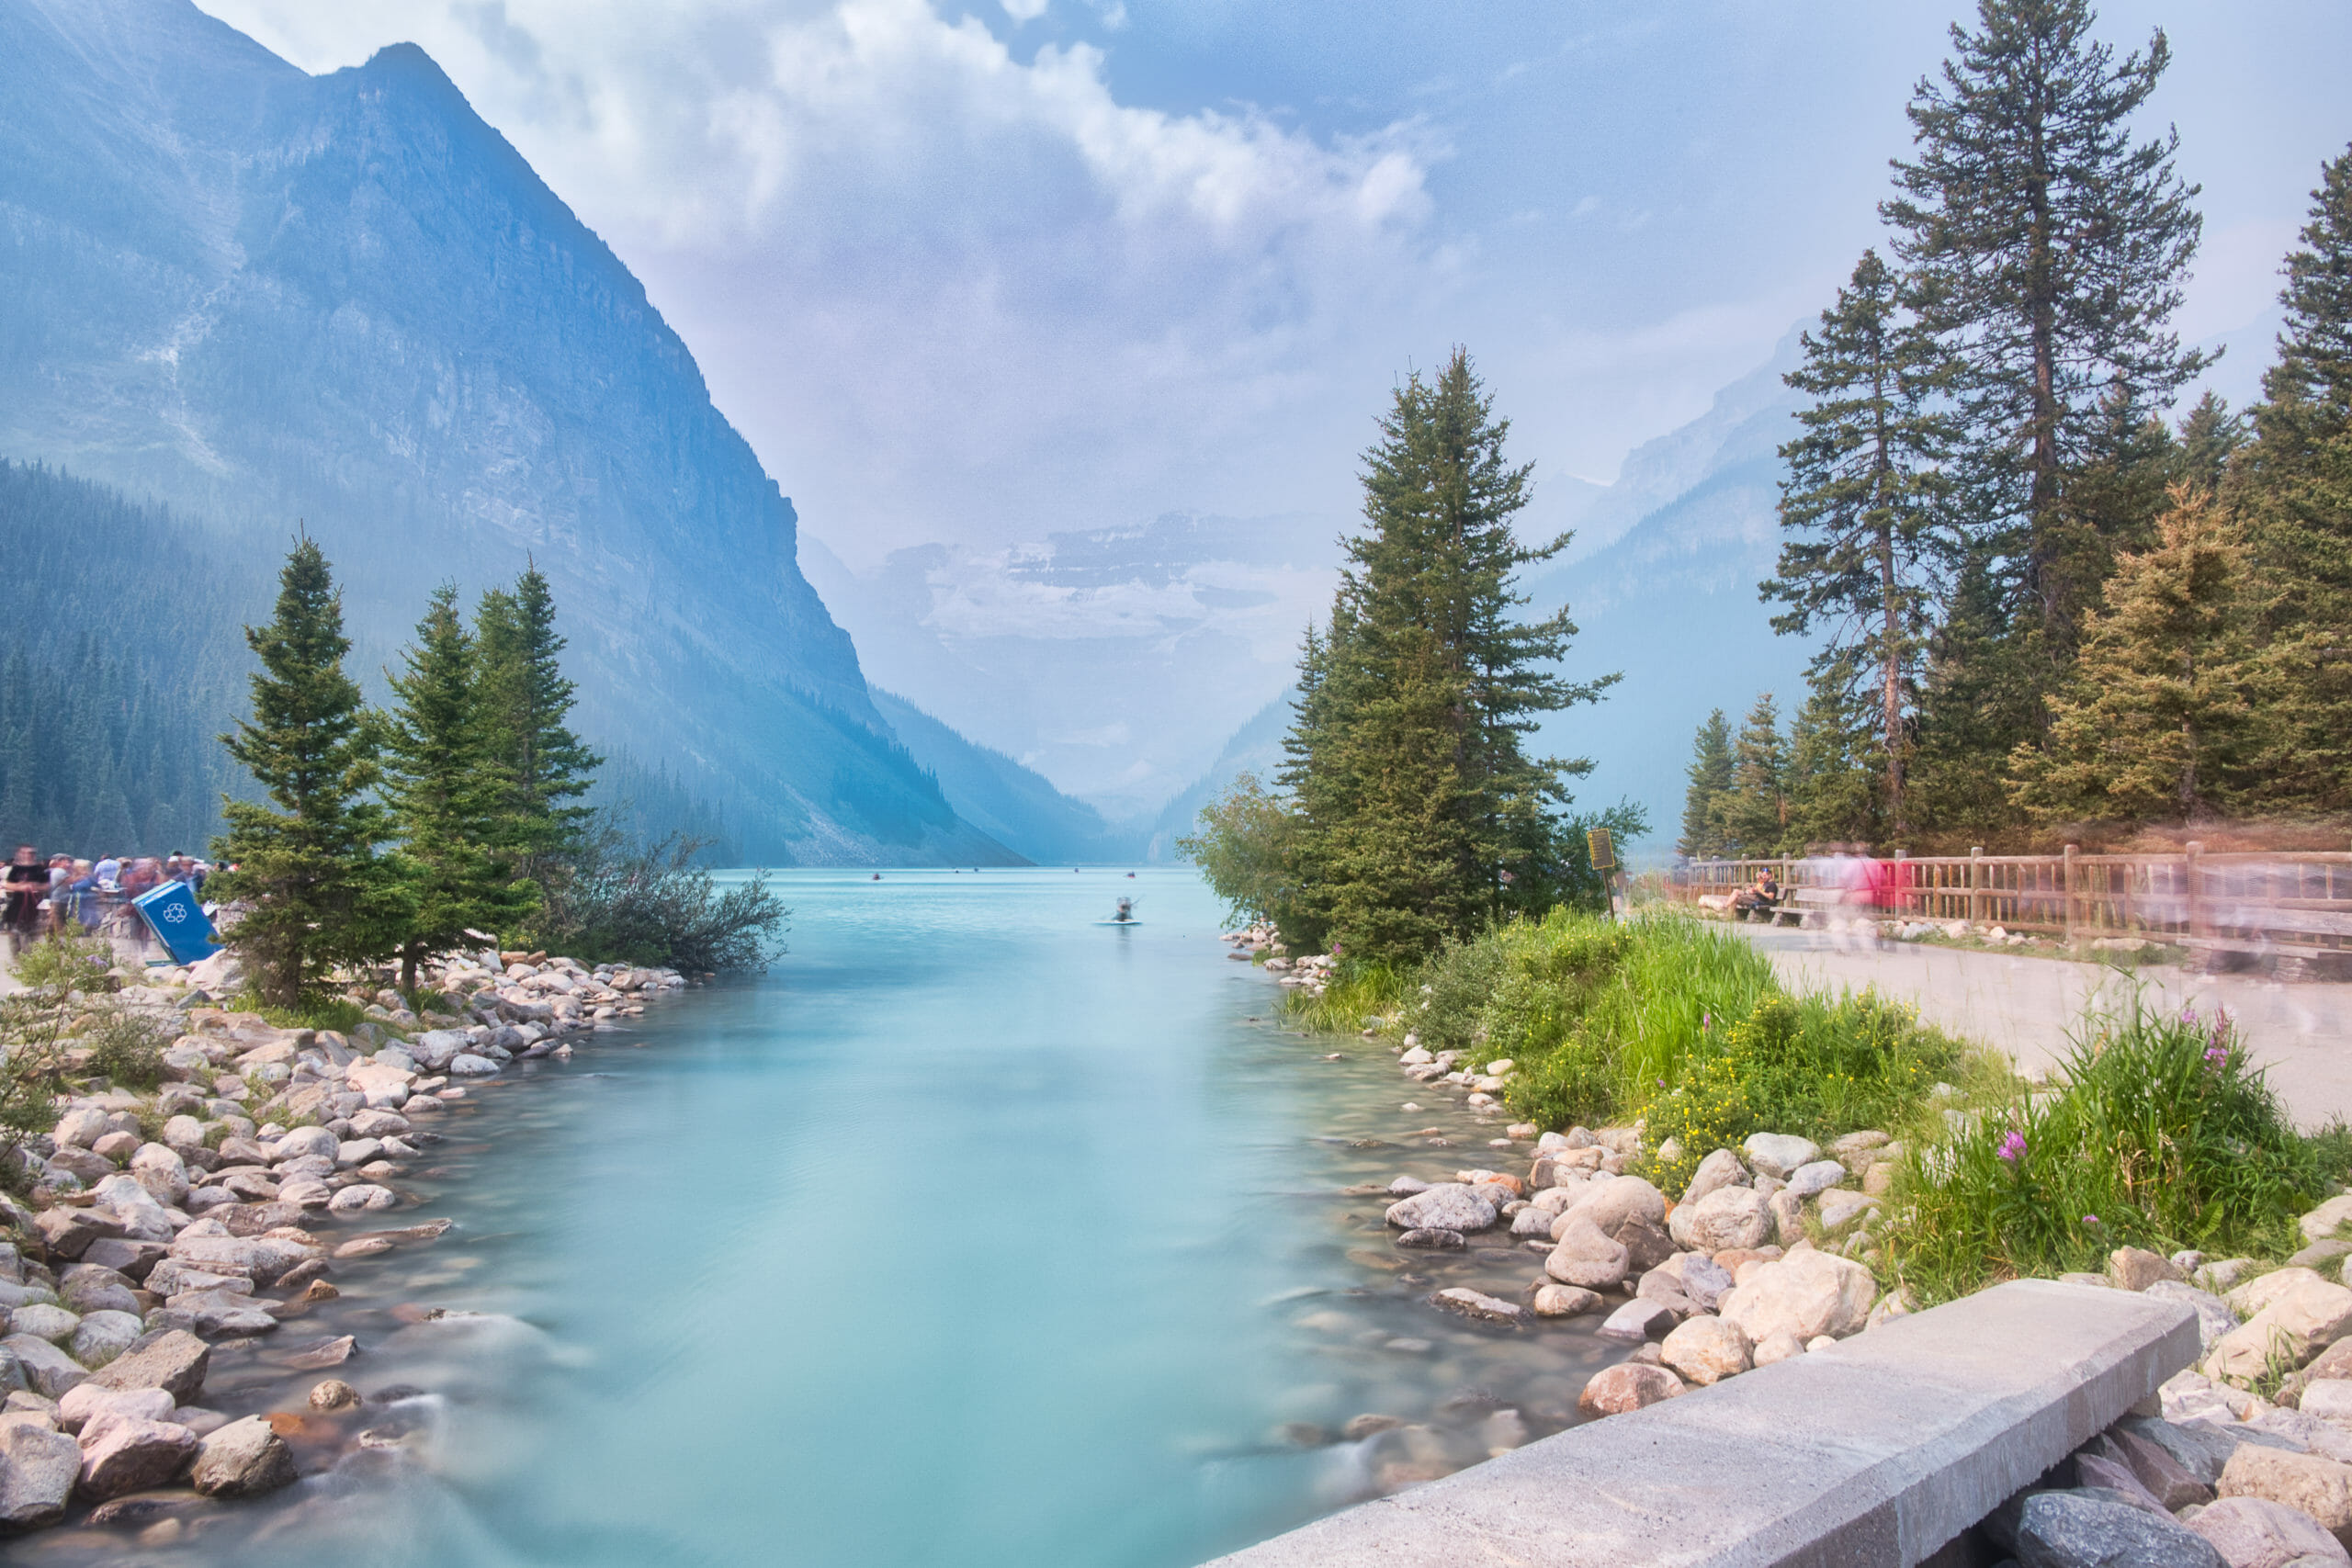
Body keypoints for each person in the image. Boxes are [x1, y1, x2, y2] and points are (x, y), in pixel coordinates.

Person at [4, 845, 47, 959]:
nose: (29, 855)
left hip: (32, 905)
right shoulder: (16, 869)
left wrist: (35, 886)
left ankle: (29, 957)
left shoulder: (39, 869)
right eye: (26, 853)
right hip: (16, 905)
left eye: (31, 853)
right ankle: (16, 957)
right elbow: (7, 884)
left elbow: (47, 885)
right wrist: (20, 887)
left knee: (31, 932)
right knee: (14, 932)